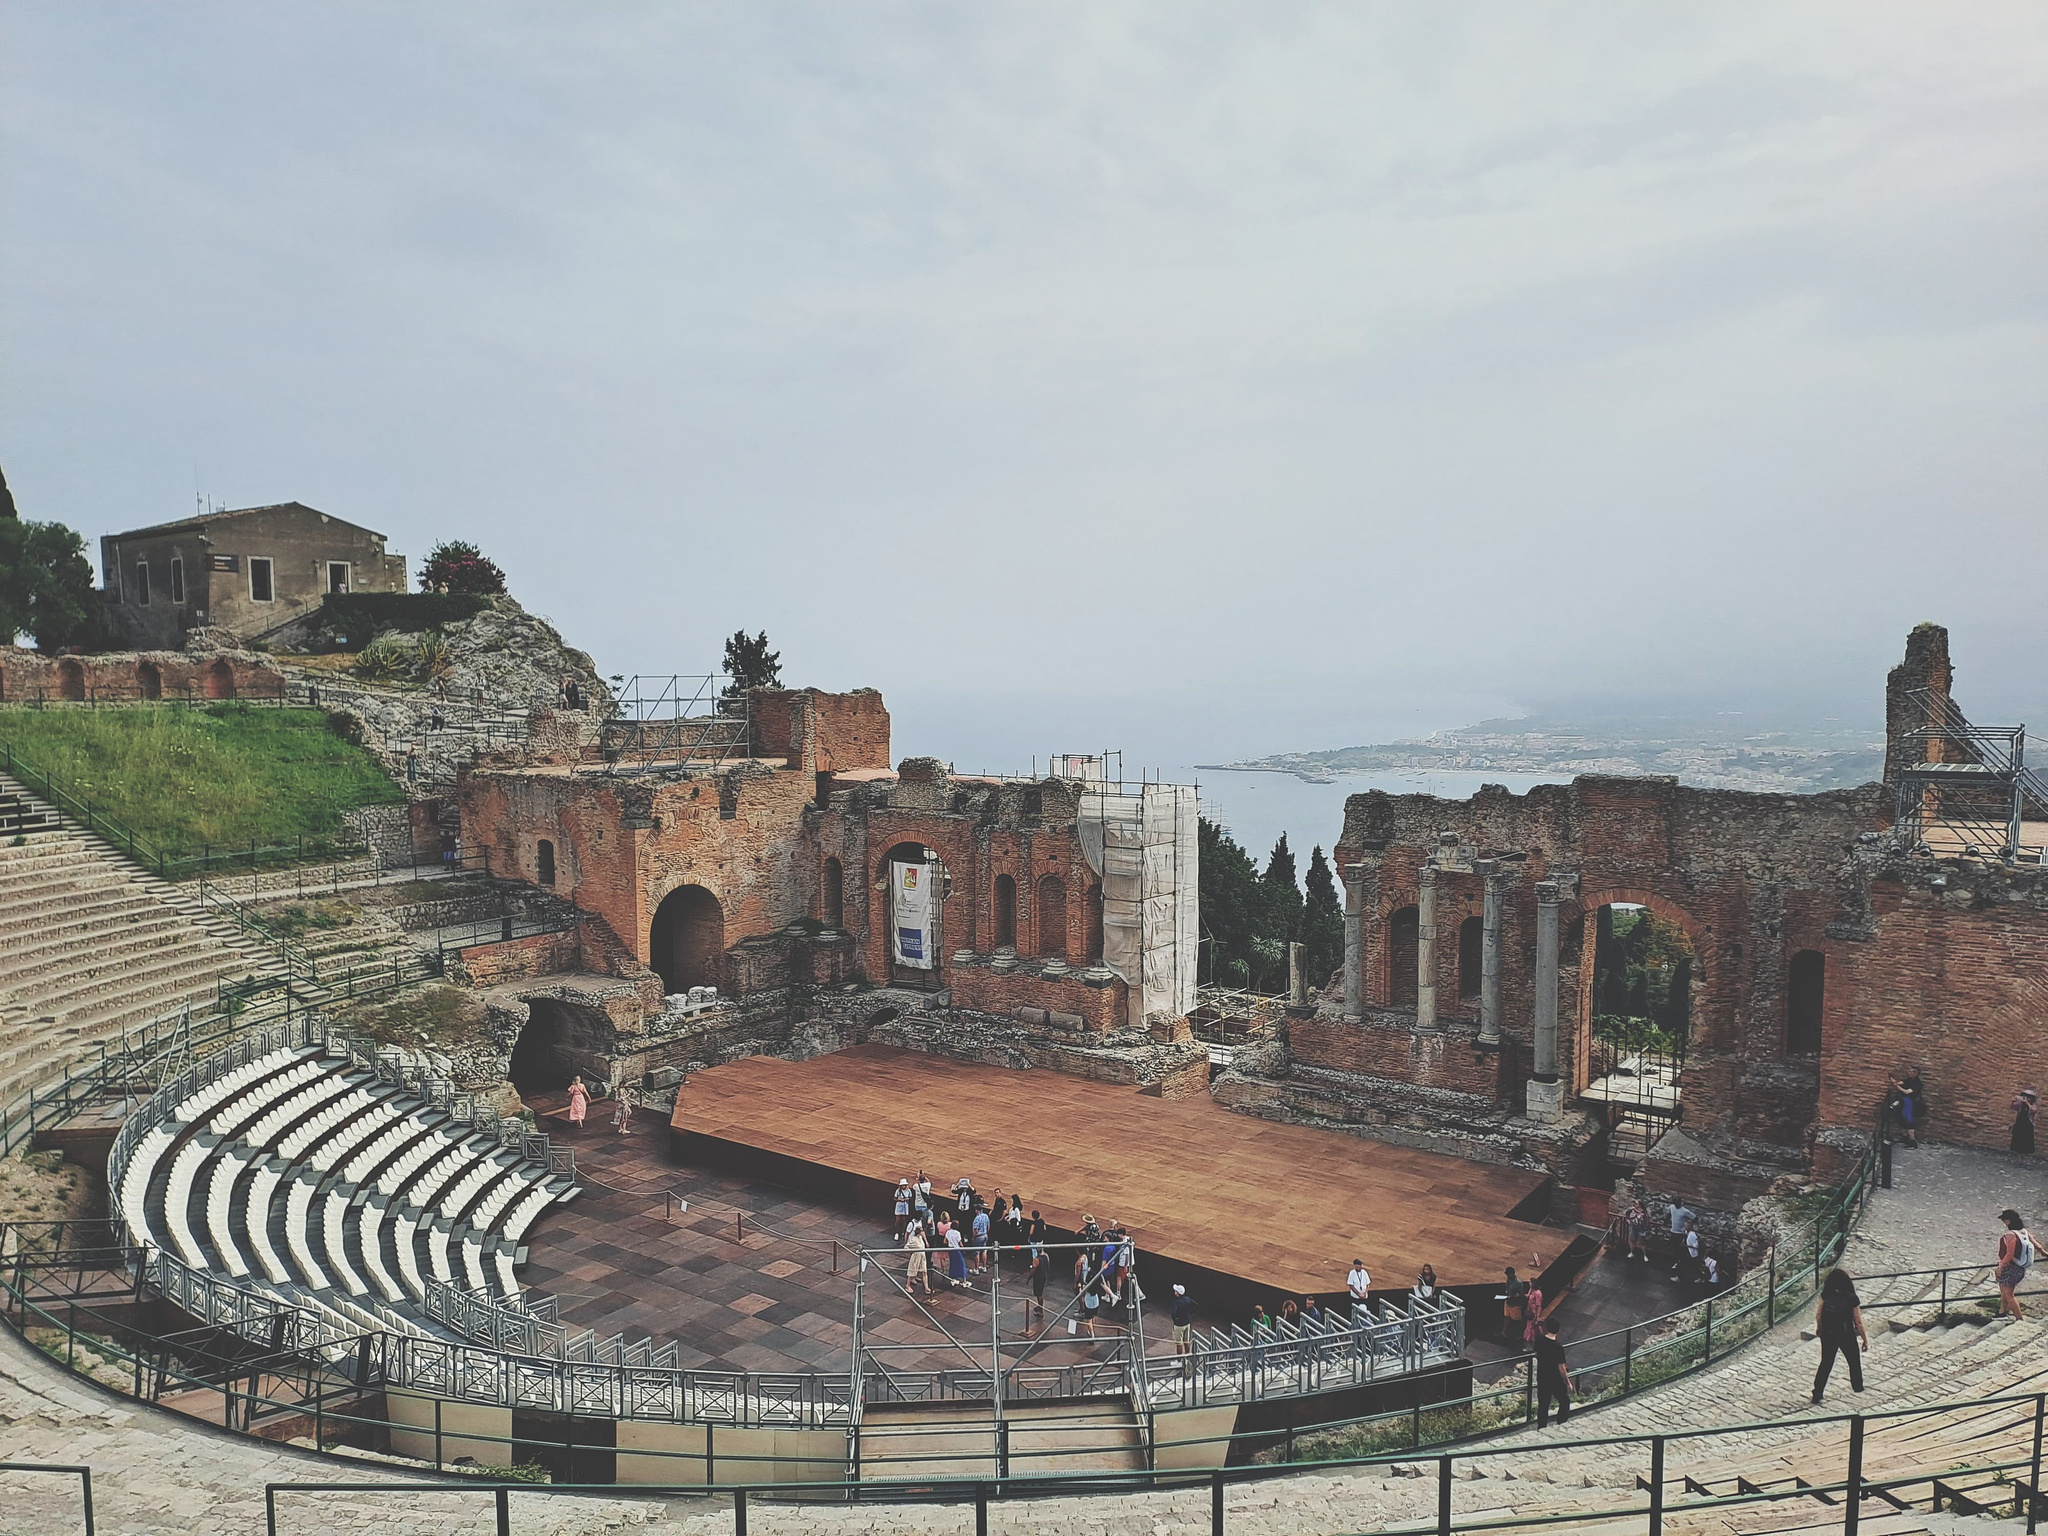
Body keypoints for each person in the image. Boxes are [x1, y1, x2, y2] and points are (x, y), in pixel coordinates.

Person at [1811, 1267, 1868, 1404]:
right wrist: (1864, 1339)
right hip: (1846, 1332)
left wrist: (1819, 1327)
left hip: (1829, 1332)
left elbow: (1819, 1313)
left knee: (1826, 1362)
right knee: (1853, 1360)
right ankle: (1858, 1387)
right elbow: (1858, 1322)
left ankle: (1817, 1393)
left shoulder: (1826, 1294)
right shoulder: (1852, 1298)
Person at [1532, 1317, 1572, 1427]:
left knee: (1543, 1405)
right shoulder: (1558, 1347)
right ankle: (1561, 1422)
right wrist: (1568, 1382)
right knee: (1564, 1401)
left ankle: (1541, 1426)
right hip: (1555, 1378)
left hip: (1542, 1376)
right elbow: (1561, 1367)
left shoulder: (1539, 1340)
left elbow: (1536, 1354)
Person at [1997, 1208, 2034, 1320]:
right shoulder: (2024, 1232)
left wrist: (2000, 1267)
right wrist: (2045, 1253)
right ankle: (2002, 1312)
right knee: (2004, 1289)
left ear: (2008, 1221)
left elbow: (2009, 1254)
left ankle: (2019, 1320)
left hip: (2011, 1268)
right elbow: (2037, 1245)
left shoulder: (2011, 1235)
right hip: (2020, 1268)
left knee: (2008, 1294)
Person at [1501, 1266, 1528, 1343]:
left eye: (1508, 1275)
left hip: (1515, 1304)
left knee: (1517, 1320)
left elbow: (1522, 1295)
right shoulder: (1508, 1280)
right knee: (1506, 1317)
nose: (1507, 1276)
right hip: (1508, 1302)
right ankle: (1504, 1332)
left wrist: (1512, 1296)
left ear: (1512, 1274)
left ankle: (1520, 1334)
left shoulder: (1518, 1283)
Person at [1902, 1067, 1927, 1148]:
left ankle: (1913, 1141)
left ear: (1915, 1074)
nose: (1908, 1072)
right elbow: (1902, 1083)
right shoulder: (1909, 1080)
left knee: (1910, 1121)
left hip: (1912, 1103)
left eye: (1911, 1071)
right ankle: (1906, 1138)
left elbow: (1907, 1091)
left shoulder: (1917, 1083)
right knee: (1904, 1119)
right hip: (1906, 1102)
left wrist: (1897, 1087)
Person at [905, 1222, 932, 1297]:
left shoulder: (920, 1238)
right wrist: (912, 1251)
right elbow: (906, 1247)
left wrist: (925, 1239)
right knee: (912, 1272)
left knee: (924, 1272)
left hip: (922, 1256)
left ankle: (926, 1288)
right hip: (916, 1257)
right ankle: (908, 1285)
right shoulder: (913, 1239)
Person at [1029, 1247, 1050, 1332]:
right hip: (1043, 1276)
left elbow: (1033, 1270)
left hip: (1038, 1278)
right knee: (1039, 1293)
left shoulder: (1036, 1260)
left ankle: (1040, 1310)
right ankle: (1039, 1306)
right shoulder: (1046, 1256)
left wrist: (1028, 1278)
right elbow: (1048, 1266)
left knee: (1039, 1294)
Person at [1171, 1284, 1196, 1356]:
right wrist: (1190, 1314)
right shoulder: (1187, 1299)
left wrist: (1175, 1320)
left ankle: (1179, 1360)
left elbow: (1173, 1313)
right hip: (1187, 1323)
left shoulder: (1176, 1302)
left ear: (1177, 1293)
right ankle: (1188, 1357)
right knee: (1186, 1341)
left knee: (1179, 1343)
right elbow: (1196, 1306)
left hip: (1179, 1325)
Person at [2014, 1090, 2039, 1155]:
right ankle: (2019, 1158)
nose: (2027, 1098)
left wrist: (2027, 1103)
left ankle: (2026, 1158)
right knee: (2018, 1141)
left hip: (2028, 1125)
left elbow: (2033, 1110)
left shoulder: (2033, 1105)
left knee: (2027, 1142)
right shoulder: (2020, 1105)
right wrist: (2013, 1101)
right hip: (2020, 1123)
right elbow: (2012, 1107)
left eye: (2029, 1097)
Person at [946, 1220, 969, 1288]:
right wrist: (964, 1249)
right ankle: (964, 1281)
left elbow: (945, 1241)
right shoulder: (957, 1233)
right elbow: (960, 1243)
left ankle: (953, 1279)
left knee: (953, 1263)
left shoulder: (948, 1232)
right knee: (962, 1264)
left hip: (950, 1249)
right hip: (956, 1249)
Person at [971, 1203, 992, 1274]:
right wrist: (986, 1234)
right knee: (984, 1251)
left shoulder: (976, 1219)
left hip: (978, 1237)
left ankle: (976, 1269)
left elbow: (975, 1230)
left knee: (976, 1252)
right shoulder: (986, 1216)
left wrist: (973, 1237)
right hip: (985, 1235)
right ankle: (984, 1267)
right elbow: (988, 1226)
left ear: (977, 1210)